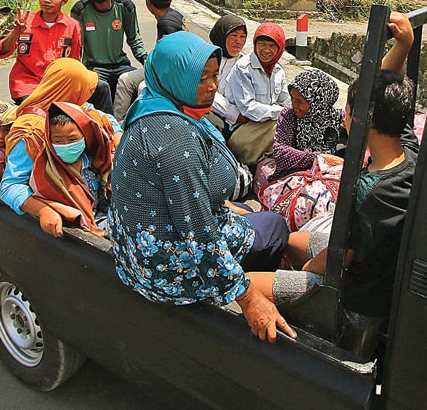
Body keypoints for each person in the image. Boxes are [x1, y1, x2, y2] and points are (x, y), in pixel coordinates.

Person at [108, 31, 295, 343]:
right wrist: (248, 297)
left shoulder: (152, 105)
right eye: (201, 79)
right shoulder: (175, 140)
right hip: (166, 268)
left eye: (214, 75)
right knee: (274, 226)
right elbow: (200, 235)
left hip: (139, 247)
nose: (213, 86)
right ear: (174, 78)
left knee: (246, 210)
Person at [256, 13, 418, 325]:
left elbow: (341, 256)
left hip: (356, 300)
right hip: (377, 270)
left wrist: (307, 272)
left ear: (359, 120)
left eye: (348, 110)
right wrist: (404, 45)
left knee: (249, 284)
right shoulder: (406, 148)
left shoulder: (369, 193)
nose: (343, 116)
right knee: (293, 241)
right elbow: (379, 89)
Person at [0, 59, 121, 237]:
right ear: (72, 91)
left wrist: (117, 134)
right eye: (83, 89)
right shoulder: (32, 131)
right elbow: (11, 185)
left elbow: (101, 116)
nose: (89, 93)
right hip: (66, 208)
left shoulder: (73, 107)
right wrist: (43, 210)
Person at [70, 0, 148, 114]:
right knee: (100, 87)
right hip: (94, 66)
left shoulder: (125, 7)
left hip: (120, 65)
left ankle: (130, 121)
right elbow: (76, 45)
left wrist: (145, 58)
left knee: (141, 85)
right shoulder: (80, 11)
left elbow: (134, 38)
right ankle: (107, 123)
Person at [0, 0, 82, 104]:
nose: (47, 0)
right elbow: (2, 52)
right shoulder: (23, 21)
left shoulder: (72, 26)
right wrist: (16, 33)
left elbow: (74, 63)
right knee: (37, 109)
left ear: (64, 1)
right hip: (26, 86)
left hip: (57, 86)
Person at [111, 0, 184, 121]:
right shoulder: (175, 15)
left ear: (148, 3)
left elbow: (169, 58)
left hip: (170, 73)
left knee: (128, 82)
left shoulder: (166, 25)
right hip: (171, 67)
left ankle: (121, 123)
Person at [227, 23, 290, 167]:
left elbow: (285, 100)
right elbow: (248, 108)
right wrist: (283, 112)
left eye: (272, 46)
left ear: (280, 48)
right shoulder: (243, 68)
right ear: (255, 44)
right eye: (262, 44)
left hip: (268, 124)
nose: (266, 50)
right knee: (281, 126)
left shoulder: (278, 70)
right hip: (244, 128)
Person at [272, 68, 345, 179]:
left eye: (299, 101)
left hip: (331, 175)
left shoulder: (339, 119)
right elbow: (280, 153)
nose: (294, 105)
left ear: (318, 102)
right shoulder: (289, 116)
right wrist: (318, 158)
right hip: (297, 175)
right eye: (292, 98)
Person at [206, 14, 249, 137]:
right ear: (222, 35)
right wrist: (234, 114)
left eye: (242, 36)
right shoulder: (206, 58)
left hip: (238, 123)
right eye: (234, 35)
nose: (238, 41)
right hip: (208, 113)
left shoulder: (245, 64)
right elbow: (205, 92)